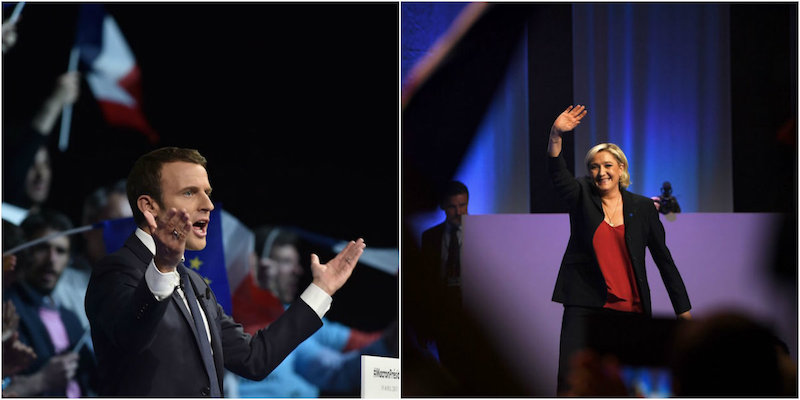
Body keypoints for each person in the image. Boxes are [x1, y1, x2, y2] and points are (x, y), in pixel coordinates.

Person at [84, 147, 366, 396]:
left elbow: (255, 359)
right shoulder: (116, 270)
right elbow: (131, 337)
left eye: (207, 193)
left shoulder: (194, 283)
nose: (207, 205)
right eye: (190, 192)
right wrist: (162, 267)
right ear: (149, 206)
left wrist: (321, 290)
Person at [546, 105, 691, 395]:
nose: (601, 173)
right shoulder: (581, 195)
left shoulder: (641, 208)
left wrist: (683, 313)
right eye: (595, 167)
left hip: (629, 307)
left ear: (621, 168)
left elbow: (665, 262)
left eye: (608, 166)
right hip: (585, 304)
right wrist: (556, 135)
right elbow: (557, 173)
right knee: (571, 380)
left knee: (628, 383)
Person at [236, 226, 396, 397]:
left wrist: (392, 340)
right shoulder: (219, 319)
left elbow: (337, 369)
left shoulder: (290, 323)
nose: (298, 271)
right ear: (256, 264)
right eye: (286, 261)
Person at [4, 209, 96, 397]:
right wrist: (42, 379)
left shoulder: (71, 318)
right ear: (24, 252)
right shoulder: (7, 309)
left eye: (60, 251)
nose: (51, 259)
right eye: (42, 248)